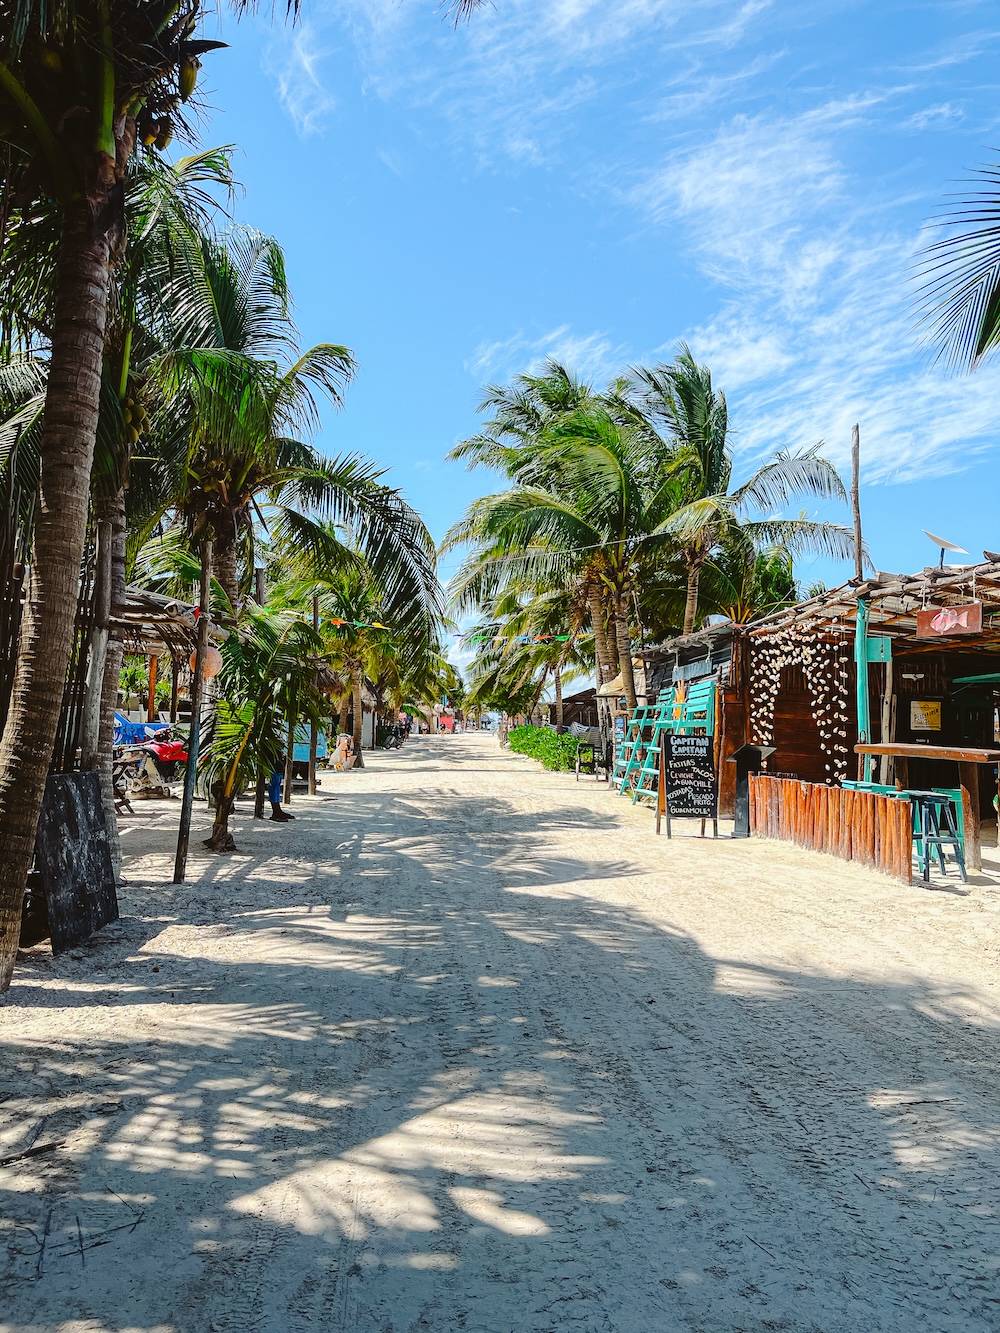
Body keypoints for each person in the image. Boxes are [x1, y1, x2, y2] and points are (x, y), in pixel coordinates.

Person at [268, 754, 295, 822]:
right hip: (272, 764)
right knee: (274, 787)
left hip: (277, 765)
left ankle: (278, 810)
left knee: (276, 787)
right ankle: (275, 811)